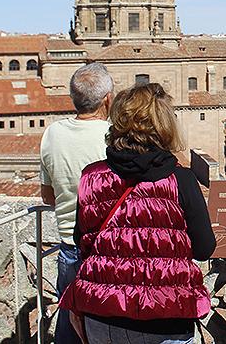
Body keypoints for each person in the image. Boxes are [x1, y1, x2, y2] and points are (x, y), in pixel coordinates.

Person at [60, 82, 216, 344]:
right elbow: (204, 248)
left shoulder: (91, 177)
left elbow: (81, 240)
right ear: (165, 125)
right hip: (167, 314)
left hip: (102, 313)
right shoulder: (182, 180)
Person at [40, 63, 114, 344]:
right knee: (108, 323)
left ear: (73, 98)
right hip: (108, 249)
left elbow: (48, 196)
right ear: (107, 99)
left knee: (69, 322)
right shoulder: (114, 135)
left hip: (69, 247)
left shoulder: (52, 134)